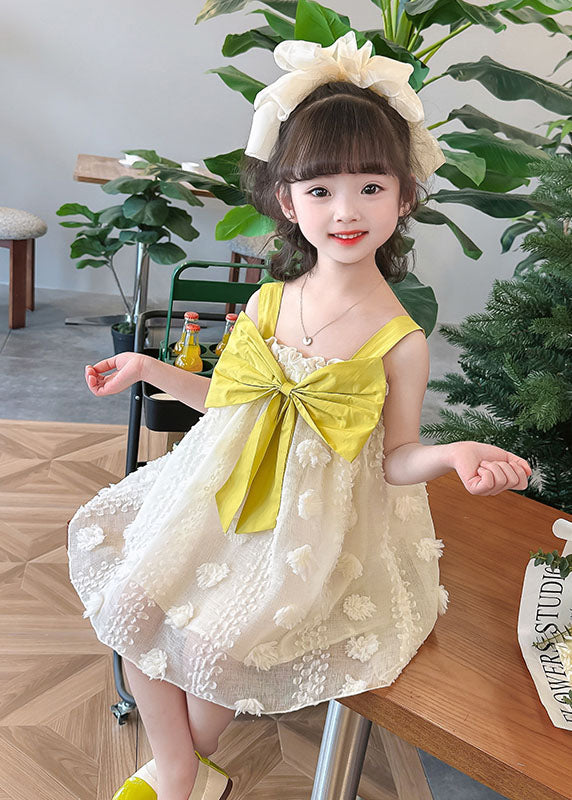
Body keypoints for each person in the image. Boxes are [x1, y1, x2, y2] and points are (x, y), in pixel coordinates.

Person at [69, 32, 532, 800]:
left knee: (218, 648)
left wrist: (452, 455)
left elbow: (395, 458)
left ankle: (184, 768)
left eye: (370, 187)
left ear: (405, 196)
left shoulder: (401, 342)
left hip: (313, 525)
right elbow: (229, 402)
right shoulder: (268, 301)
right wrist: (148, 368)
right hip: (219, 493)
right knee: (129, 601)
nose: (345, 211)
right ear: (288, 202)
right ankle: (181, 771)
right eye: (320, 191)